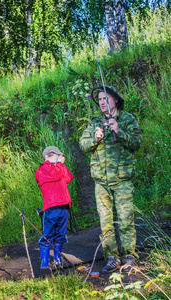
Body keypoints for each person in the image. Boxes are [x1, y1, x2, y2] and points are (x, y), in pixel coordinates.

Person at [79, 86, 142, 273]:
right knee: (105, 222)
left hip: (122, 179)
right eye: (98, 99)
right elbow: (83, 145)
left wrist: (119, 131)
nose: (101, 102)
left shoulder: (127, 119)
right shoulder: (95, 122)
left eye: (105, 98)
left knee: (125, 219)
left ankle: (129, 256)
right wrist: (95, 139)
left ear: (115, 100)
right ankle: (112, 257)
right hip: (101, 182)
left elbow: (137, 143)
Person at [35, 146, 74, 269]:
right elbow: (55, 174)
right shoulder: (42, 169)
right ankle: (44, 263)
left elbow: (68, 177)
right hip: (51, 207)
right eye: (55, 155)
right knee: (47, 235)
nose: (58, 158)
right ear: (47, 156)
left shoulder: (58, 167)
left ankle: (58, 261)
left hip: (63, 205)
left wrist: (59, 164)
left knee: (61, 235)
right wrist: (59, 164)